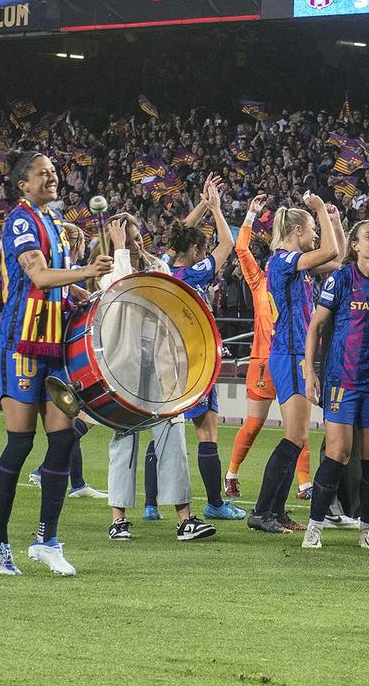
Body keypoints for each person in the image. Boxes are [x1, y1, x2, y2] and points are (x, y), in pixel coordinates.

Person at [0, 152, 110, 577]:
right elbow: (39, 278)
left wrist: (91, 296)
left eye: (55, 171)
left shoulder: (55, 223)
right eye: (44, 172)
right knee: (20, 443)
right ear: (23, 183)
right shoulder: (20, 222)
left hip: (55, 348)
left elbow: (58, 289)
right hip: (20, 346)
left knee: (61, 441)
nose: (53, 177)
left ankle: (47, 540)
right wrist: (87, 268)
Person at [99, 213, 217, 543]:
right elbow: (119, 291)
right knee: (125, 441)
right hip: (124, 367)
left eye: (137, 238)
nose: (136, 244)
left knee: (174, 437)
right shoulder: (108, 271)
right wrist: (120, 250)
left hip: (161, 365)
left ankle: (184, 519)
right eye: (128, 239)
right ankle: (118, 519)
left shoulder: (159, 269)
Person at [300, 220, 369, 549]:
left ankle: (368, 529)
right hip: (341, 380)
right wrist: (310, 372)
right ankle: (315, 525)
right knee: (338, 452)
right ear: (354, 245)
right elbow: (315, 326)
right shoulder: (341, 279)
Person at [250, 194, 343, 533]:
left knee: (297, 437)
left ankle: (274, 511)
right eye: (314, 230)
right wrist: (320, 208)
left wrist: (333, 222)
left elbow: (338, 258)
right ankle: (263, 512)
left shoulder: (296, 263)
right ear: (298, 230)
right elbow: (331, 253)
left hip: (294, 354)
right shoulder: (284, 259)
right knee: (295, 435)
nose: (316, 236)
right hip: (288, 353)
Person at [166, 176, 245, 521]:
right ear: (197, 252)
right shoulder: (195, 274)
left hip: (167, 359)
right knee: (205, 431)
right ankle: (215, 504)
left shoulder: (164, 269)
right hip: (196, 360)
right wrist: (215, 208)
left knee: (163, 430)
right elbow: (228, 241)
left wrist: (200, 205)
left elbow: (178, 234)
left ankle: (152, 505)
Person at [223, 193, 278, 499]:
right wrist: (250, 215)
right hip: (263, 359)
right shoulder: (259, 280)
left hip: (291, 358)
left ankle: (307, 484)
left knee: (298, 426)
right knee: (255, 423)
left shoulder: (298, 277)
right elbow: (241, 247)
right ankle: (231, 473)